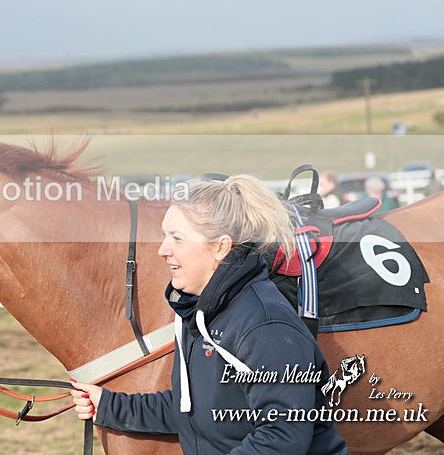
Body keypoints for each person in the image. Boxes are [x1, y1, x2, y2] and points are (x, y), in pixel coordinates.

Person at [70, 175, 347, 454]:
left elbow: (283, 437)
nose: (162, 250)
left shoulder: (265, 325)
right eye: (165, 236)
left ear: (220, 247)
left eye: (177, 238)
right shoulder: (199, 313)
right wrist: (108, 405)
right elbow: (193, 408)